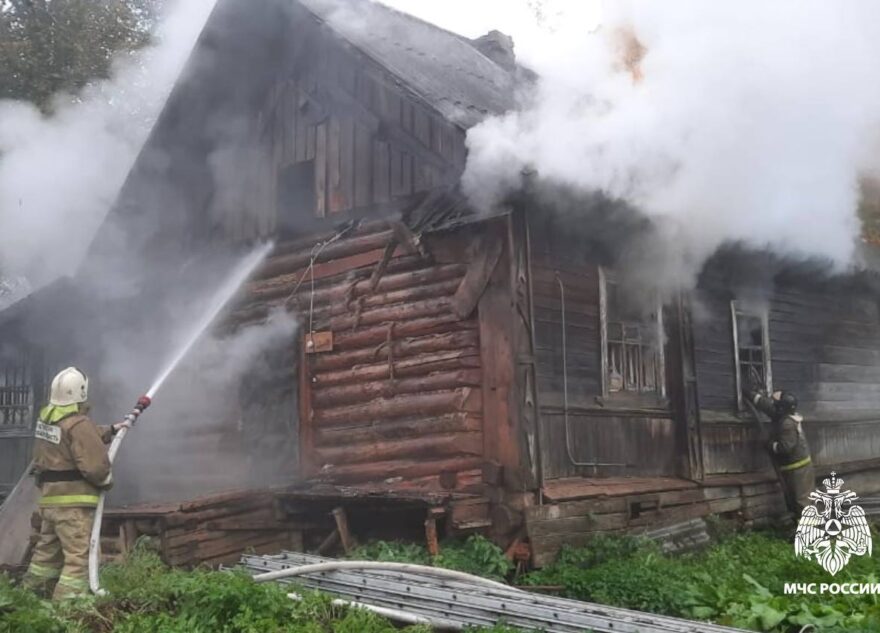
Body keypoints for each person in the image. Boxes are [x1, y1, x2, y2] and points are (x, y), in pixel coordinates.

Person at [21, 367, 130, 599]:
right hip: (73, 507)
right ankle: (68, 609)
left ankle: (29, 599)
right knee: (78, 559)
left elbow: (72, 441)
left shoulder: (48, 420)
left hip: (51, 503)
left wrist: (111, 430)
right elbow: (94, 465)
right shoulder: (78, 423)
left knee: (46, 555)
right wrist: (106, 481)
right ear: (81, 392)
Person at [745, 387, 815, 515]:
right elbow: (767, 406)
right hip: (794, 467)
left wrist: (770, 445)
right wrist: (752, 394)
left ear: (782, 408)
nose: (773, 406)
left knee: (801, 501)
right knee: (794, 500)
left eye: (776, 404)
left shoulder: (787, 424)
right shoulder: (783, 415)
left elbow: (785, 448)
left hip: (799, 469)